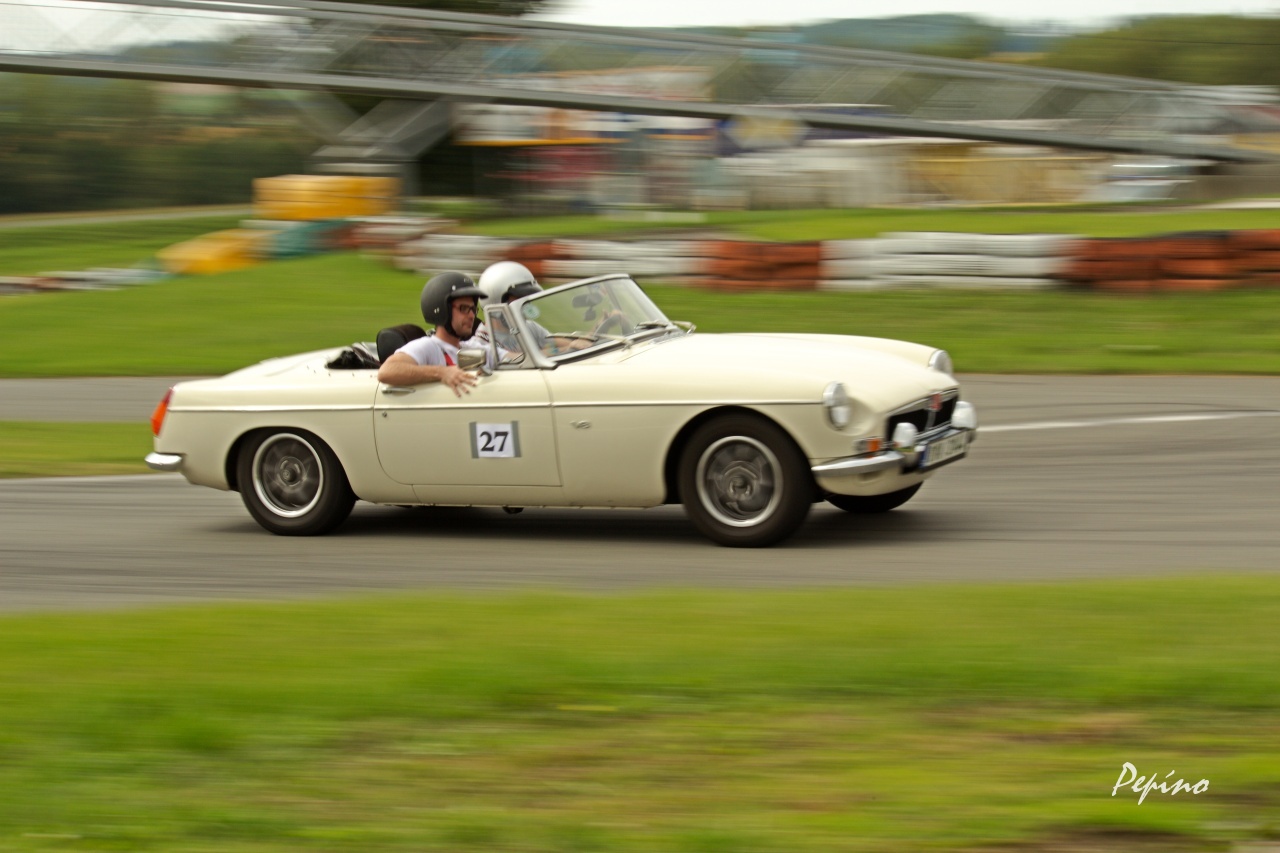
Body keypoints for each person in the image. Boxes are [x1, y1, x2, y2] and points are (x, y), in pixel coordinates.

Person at [377, 271, 485, 396]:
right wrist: (442, 372)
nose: (472, 316)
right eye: (464, 308)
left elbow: (503, 357)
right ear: (443, 310)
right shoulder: (429, 346)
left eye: (473, 309)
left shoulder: (470, 347)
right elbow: (387, 371)